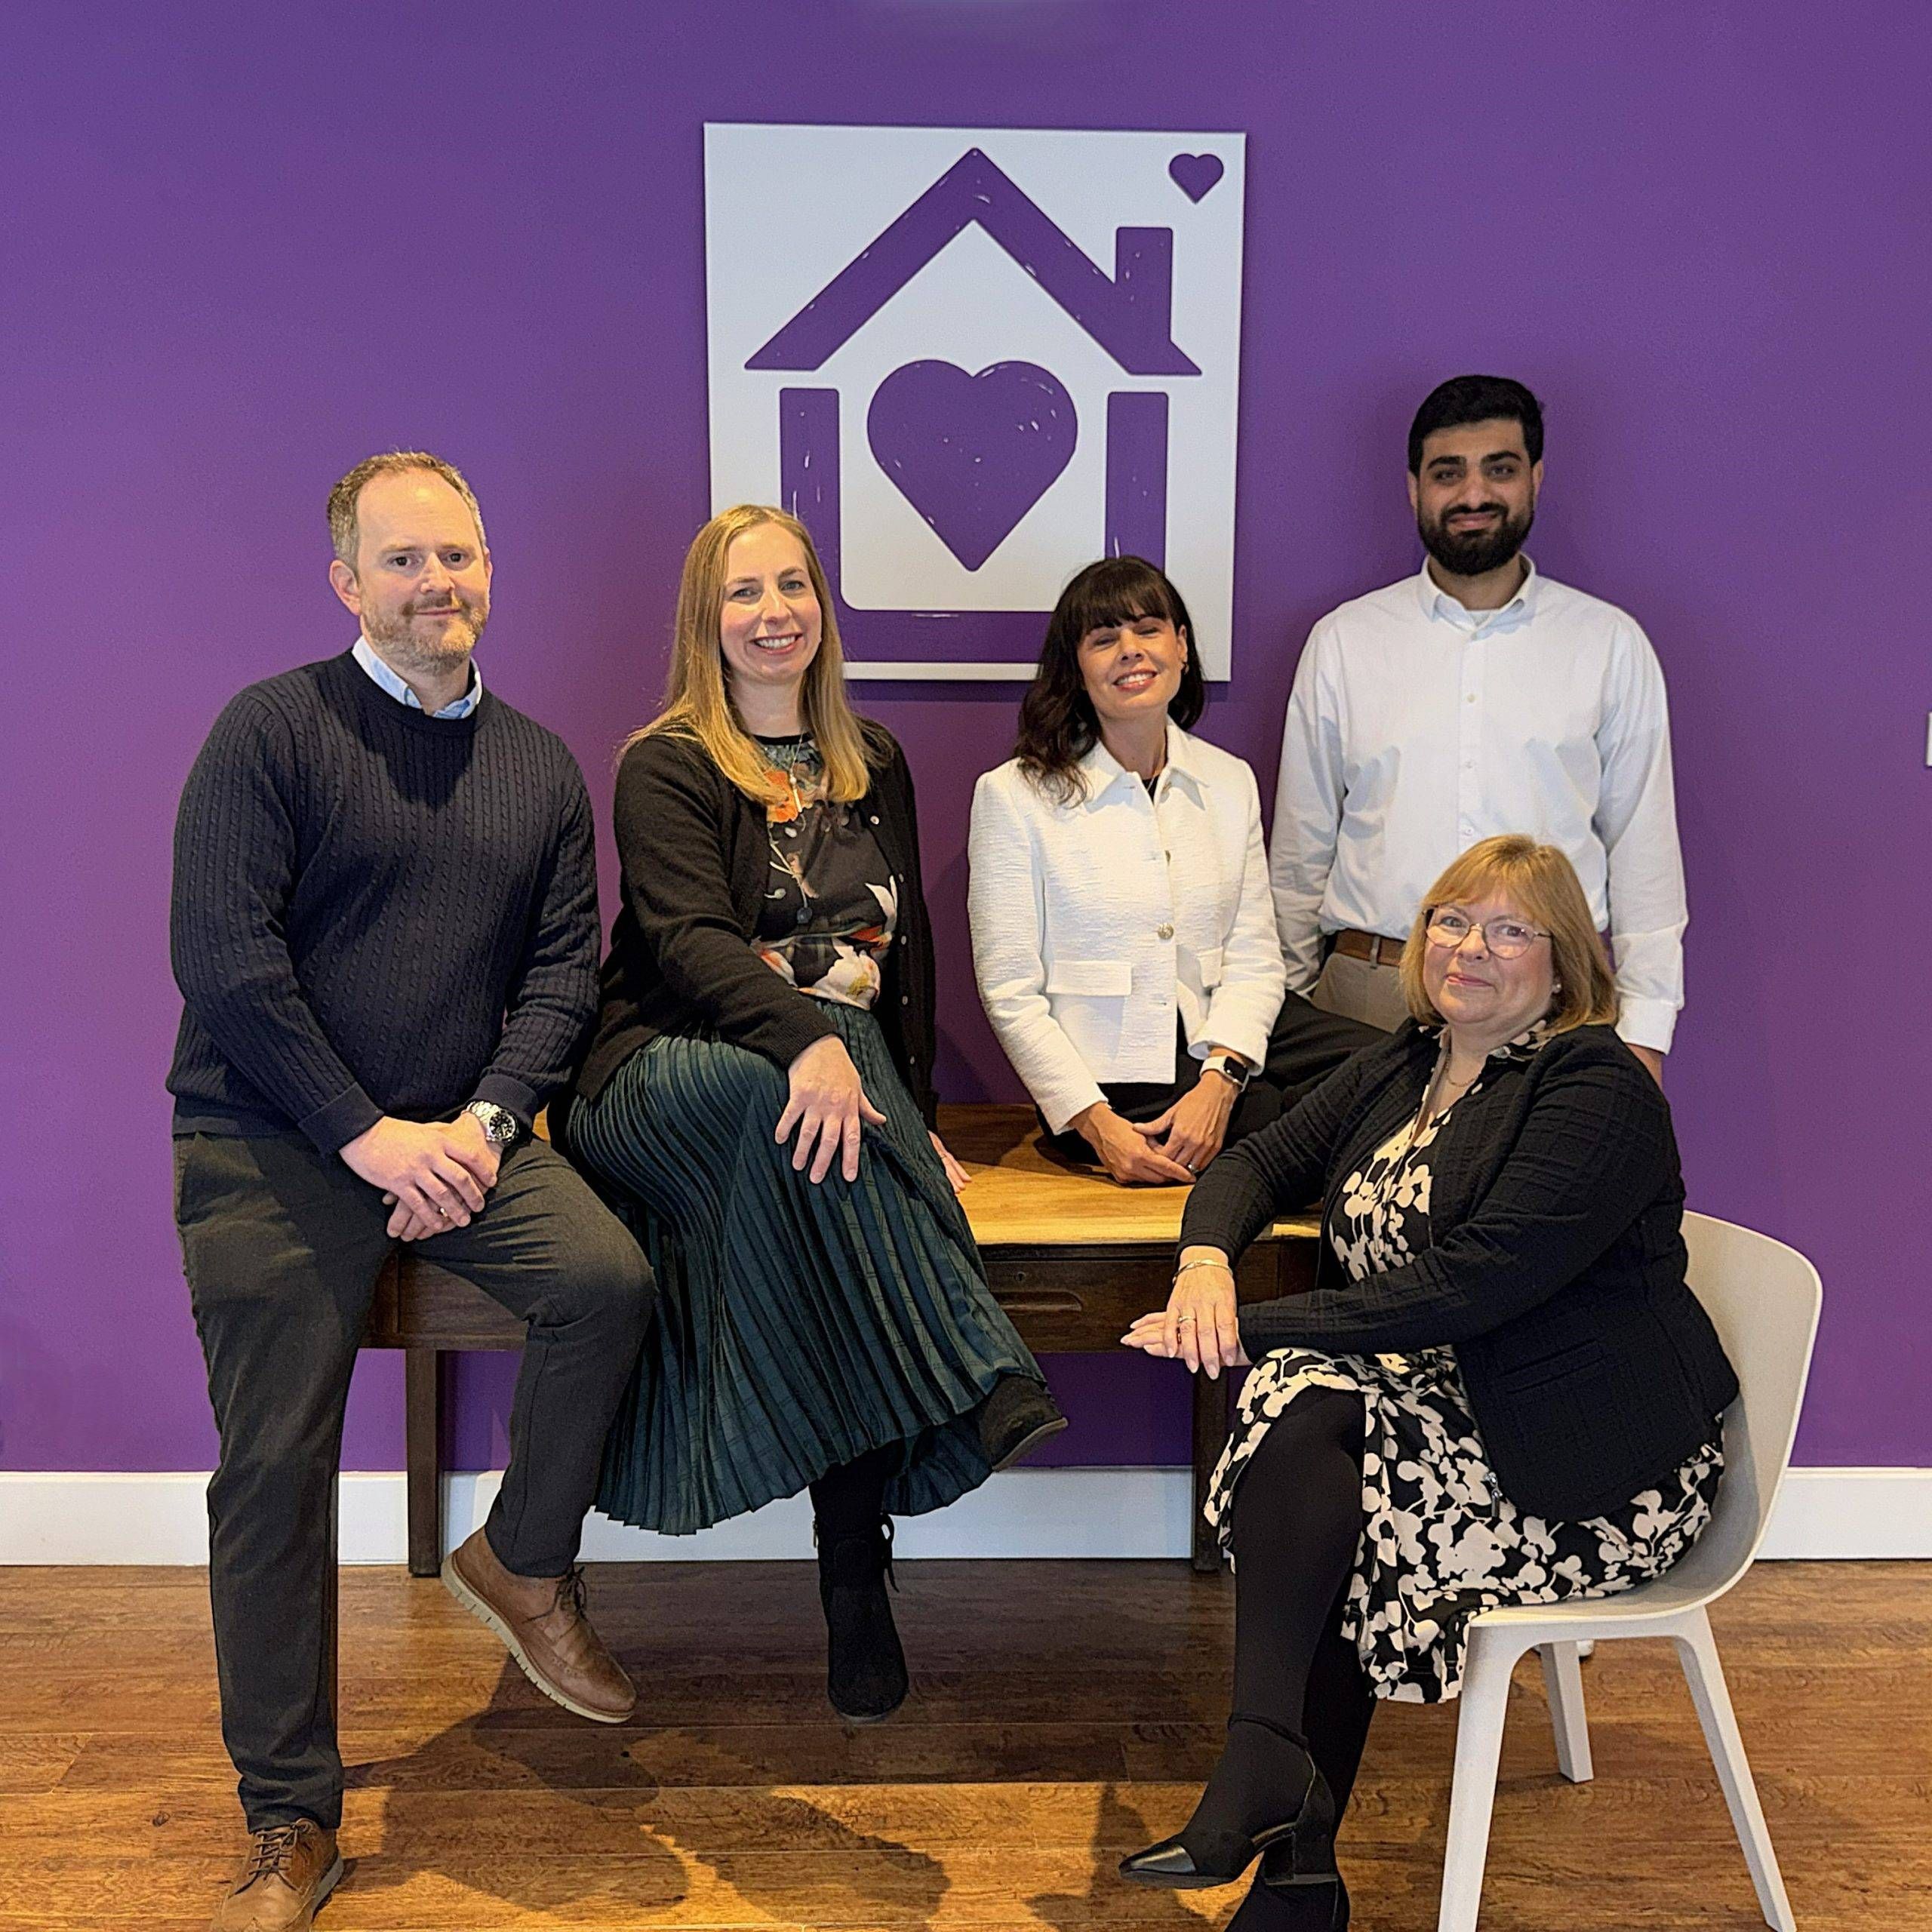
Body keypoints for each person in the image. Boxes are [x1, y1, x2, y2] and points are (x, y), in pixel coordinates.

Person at [169, 451, 654, 1932]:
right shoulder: (270, 733)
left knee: (609, 1282)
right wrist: (366, 1134)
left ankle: (521, 1558)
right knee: (274, 1461)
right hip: (269, 1136)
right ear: (346, 582)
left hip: (465, 1134)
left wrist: (490, 1121)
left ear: (488, 568)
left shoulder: (538, 765)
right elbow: (225, 961)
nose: (437, 583)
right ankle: (291, 1815)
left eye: (459, 555)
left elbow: (564, 970)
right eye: (403, 560)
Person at [1118, 835, 1737, 1930]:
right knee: (1319, 1424)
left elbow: (1471, 1285)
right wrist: (1205, 1263)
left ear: (1564, 964)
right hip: (1451, 1409)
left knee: (1319, 1430)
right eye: (1452, 919)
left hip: (1585, 1463)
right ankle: (1281, 1813)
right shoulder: (1409, 1059)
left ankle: (1288, 1824)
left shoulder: (1591, 1086)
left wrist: (1242, 1331)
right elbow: (1257, 1162)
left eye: (1509, 929)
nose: (1470, 948)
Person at [561, 504, 1063, 1724]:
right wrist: (821, 1049)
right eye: (745, 593)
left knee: (822, 1163)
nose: (774, 611)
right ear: (706, 621)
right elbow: (686, 945)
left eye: (794, 586)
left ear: (823, 611)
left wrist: (914, 1105)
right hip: (665, 1069)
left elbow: (907, 959)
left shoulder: (872, 759)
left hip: (817, 1091)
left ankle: (853, 1567)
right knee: (814, 1073)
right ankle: (969, 1383)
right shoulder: (667, 764)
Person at [1268, 374, 1687, 1083]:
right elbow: (1299, 860)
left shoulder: (1608, 645)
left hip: (1550, 1004)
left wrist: (1643, 1037)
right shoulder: (1344, 642)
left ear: (1536, 477)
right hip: (1366, 1006)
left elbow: (1646, 862)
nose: (1473, 495)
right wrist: (1284, 1009)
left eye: (1500, 468)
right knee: (1341, 1198)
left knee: (1531, 1200)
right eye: (1447, 473)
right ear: (1413, 487)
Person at [968, 556, 1379, 1186]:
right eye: (1104, 639)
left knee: (1396, 1069)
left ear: (1182, 646)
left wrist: (1223, 1076)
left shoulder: (1228, 779)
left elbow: (1254, 955)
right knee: (1313, 1128)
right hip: (1111, 1076)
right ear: (1076, 670)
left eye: (1148, 630)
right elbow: (1011, 995)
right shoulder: (1015, 795)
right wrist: (1098, 1126)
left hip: (1221, 1037)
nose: (1130, 652)